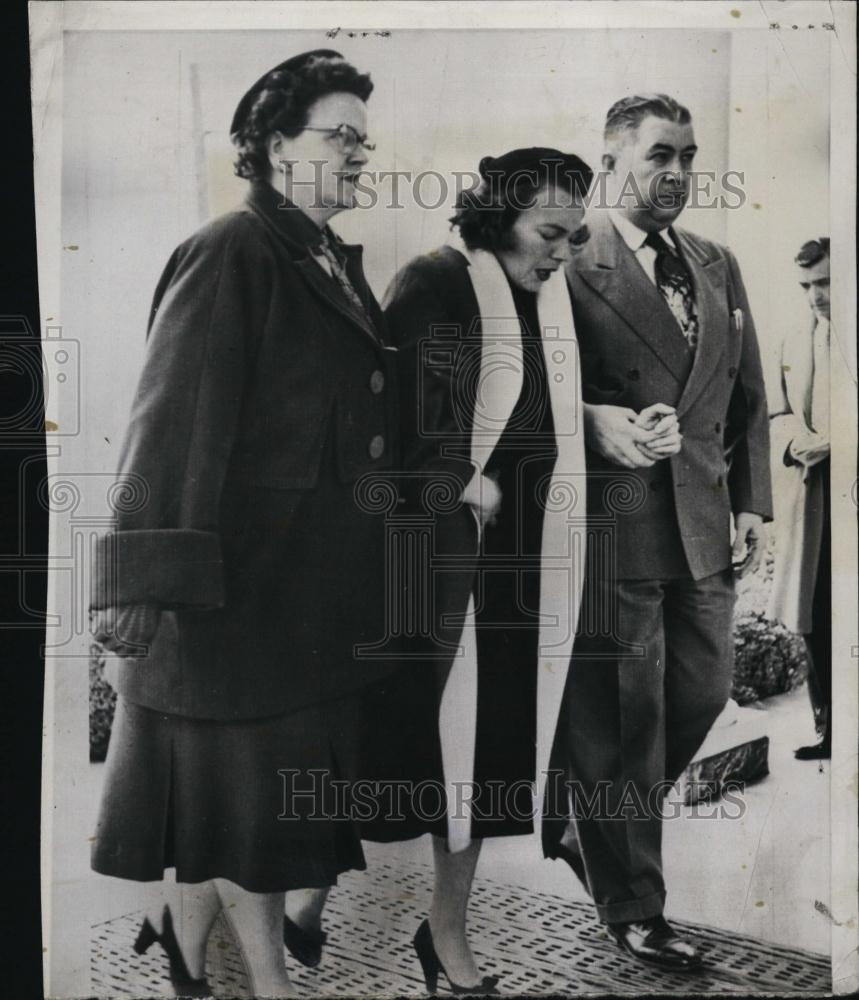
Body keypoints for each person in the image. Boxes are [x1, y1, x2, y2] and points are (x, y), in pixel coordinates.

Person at [89, 50, 400, 998]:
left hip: (299, 606)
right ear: (272, 145)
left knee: (235, 822)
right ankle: (263, 986)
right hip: (234, 606)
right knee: (252, 828)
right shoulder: (233, 249)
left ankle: (188, 960)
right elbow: (171, 424)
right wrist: (140, 583)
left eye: (364, 138)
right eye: (340, 136)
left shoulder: (323, 258)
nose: (361, 153)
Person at [543, 94, 773, 971]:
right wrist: (589, 418)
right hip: (614, 529)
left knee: (701, 693)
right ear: (609, 163)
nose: (676, 172)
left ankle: (586, 824)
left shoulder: (715, 262)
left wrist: (751, 501)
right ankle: (635, 905)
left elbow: (745, 396)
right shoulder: (569, 259)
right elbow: (523, 383)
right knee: (621, 720)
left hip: (703, 527)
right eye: (658, 155)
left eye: (686, 156)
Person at [382, 148, 595, 994]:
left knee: (485, 759)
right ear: (497, 216)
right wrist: (459, 478)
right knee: (394, 753)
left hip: (518, 564)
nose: (562, 253)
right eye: (549, 233)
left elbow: (540, 412)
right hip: (436, 561)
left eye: (575, 237)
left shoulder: (545, 300)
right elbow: (388, 418)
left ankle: (445, 929)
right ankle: (284, 907)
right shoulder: (436, 282)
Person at [766, 238, 831, 760]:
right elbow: (777, 412)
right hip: (814, 495)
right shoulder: (793, 338)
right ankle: (830, 729)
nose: (816, 295)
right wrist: (794, 443)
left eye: (826, 282)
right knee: (816, 611)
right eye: (807, 285)